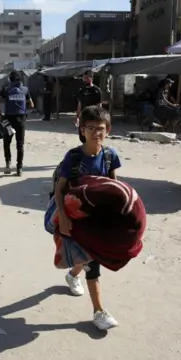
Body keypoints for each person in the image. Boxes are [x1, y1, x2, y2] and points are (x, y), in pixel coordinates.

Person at [54, 106, 122, 330]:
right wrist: (63, 218)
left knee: (88, 258)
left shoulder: (110, 157)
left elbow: (115, 188)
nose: (96, 133)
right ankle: (99, 311)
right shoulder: (73, 157)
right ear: (82, 130)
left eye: (100, 128)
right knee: (92, 263)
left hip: (97, 220)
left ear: (108, 130)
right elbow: (59, 189)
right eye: (90, 128)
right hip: (75, 217)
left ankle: (73, 275)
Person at [0, 71, 33, 176]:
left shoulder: (6, 90)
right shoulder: (25, 89)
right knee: (20, 144)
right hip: (21, 119)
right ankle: (19, 169)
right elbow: (32, 105)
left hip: (8, 121)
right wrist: (24, 108)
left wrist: (0, 115)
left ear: (10, 79)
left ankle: (8, 165)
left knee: (7, 143)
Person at [75, 70, 102, 143]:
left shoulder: (96, 90)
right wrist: (77, 117)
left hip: (92, 117)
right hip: (83, 116)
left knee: (91, 136)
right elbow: (79, 104)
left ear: (91, 78)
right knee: (82, 137)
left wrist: (99, 118)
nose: (84, 80)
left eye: (86, 78)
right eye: (83, 78)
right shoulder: (81, 90)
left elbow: (99, 106)